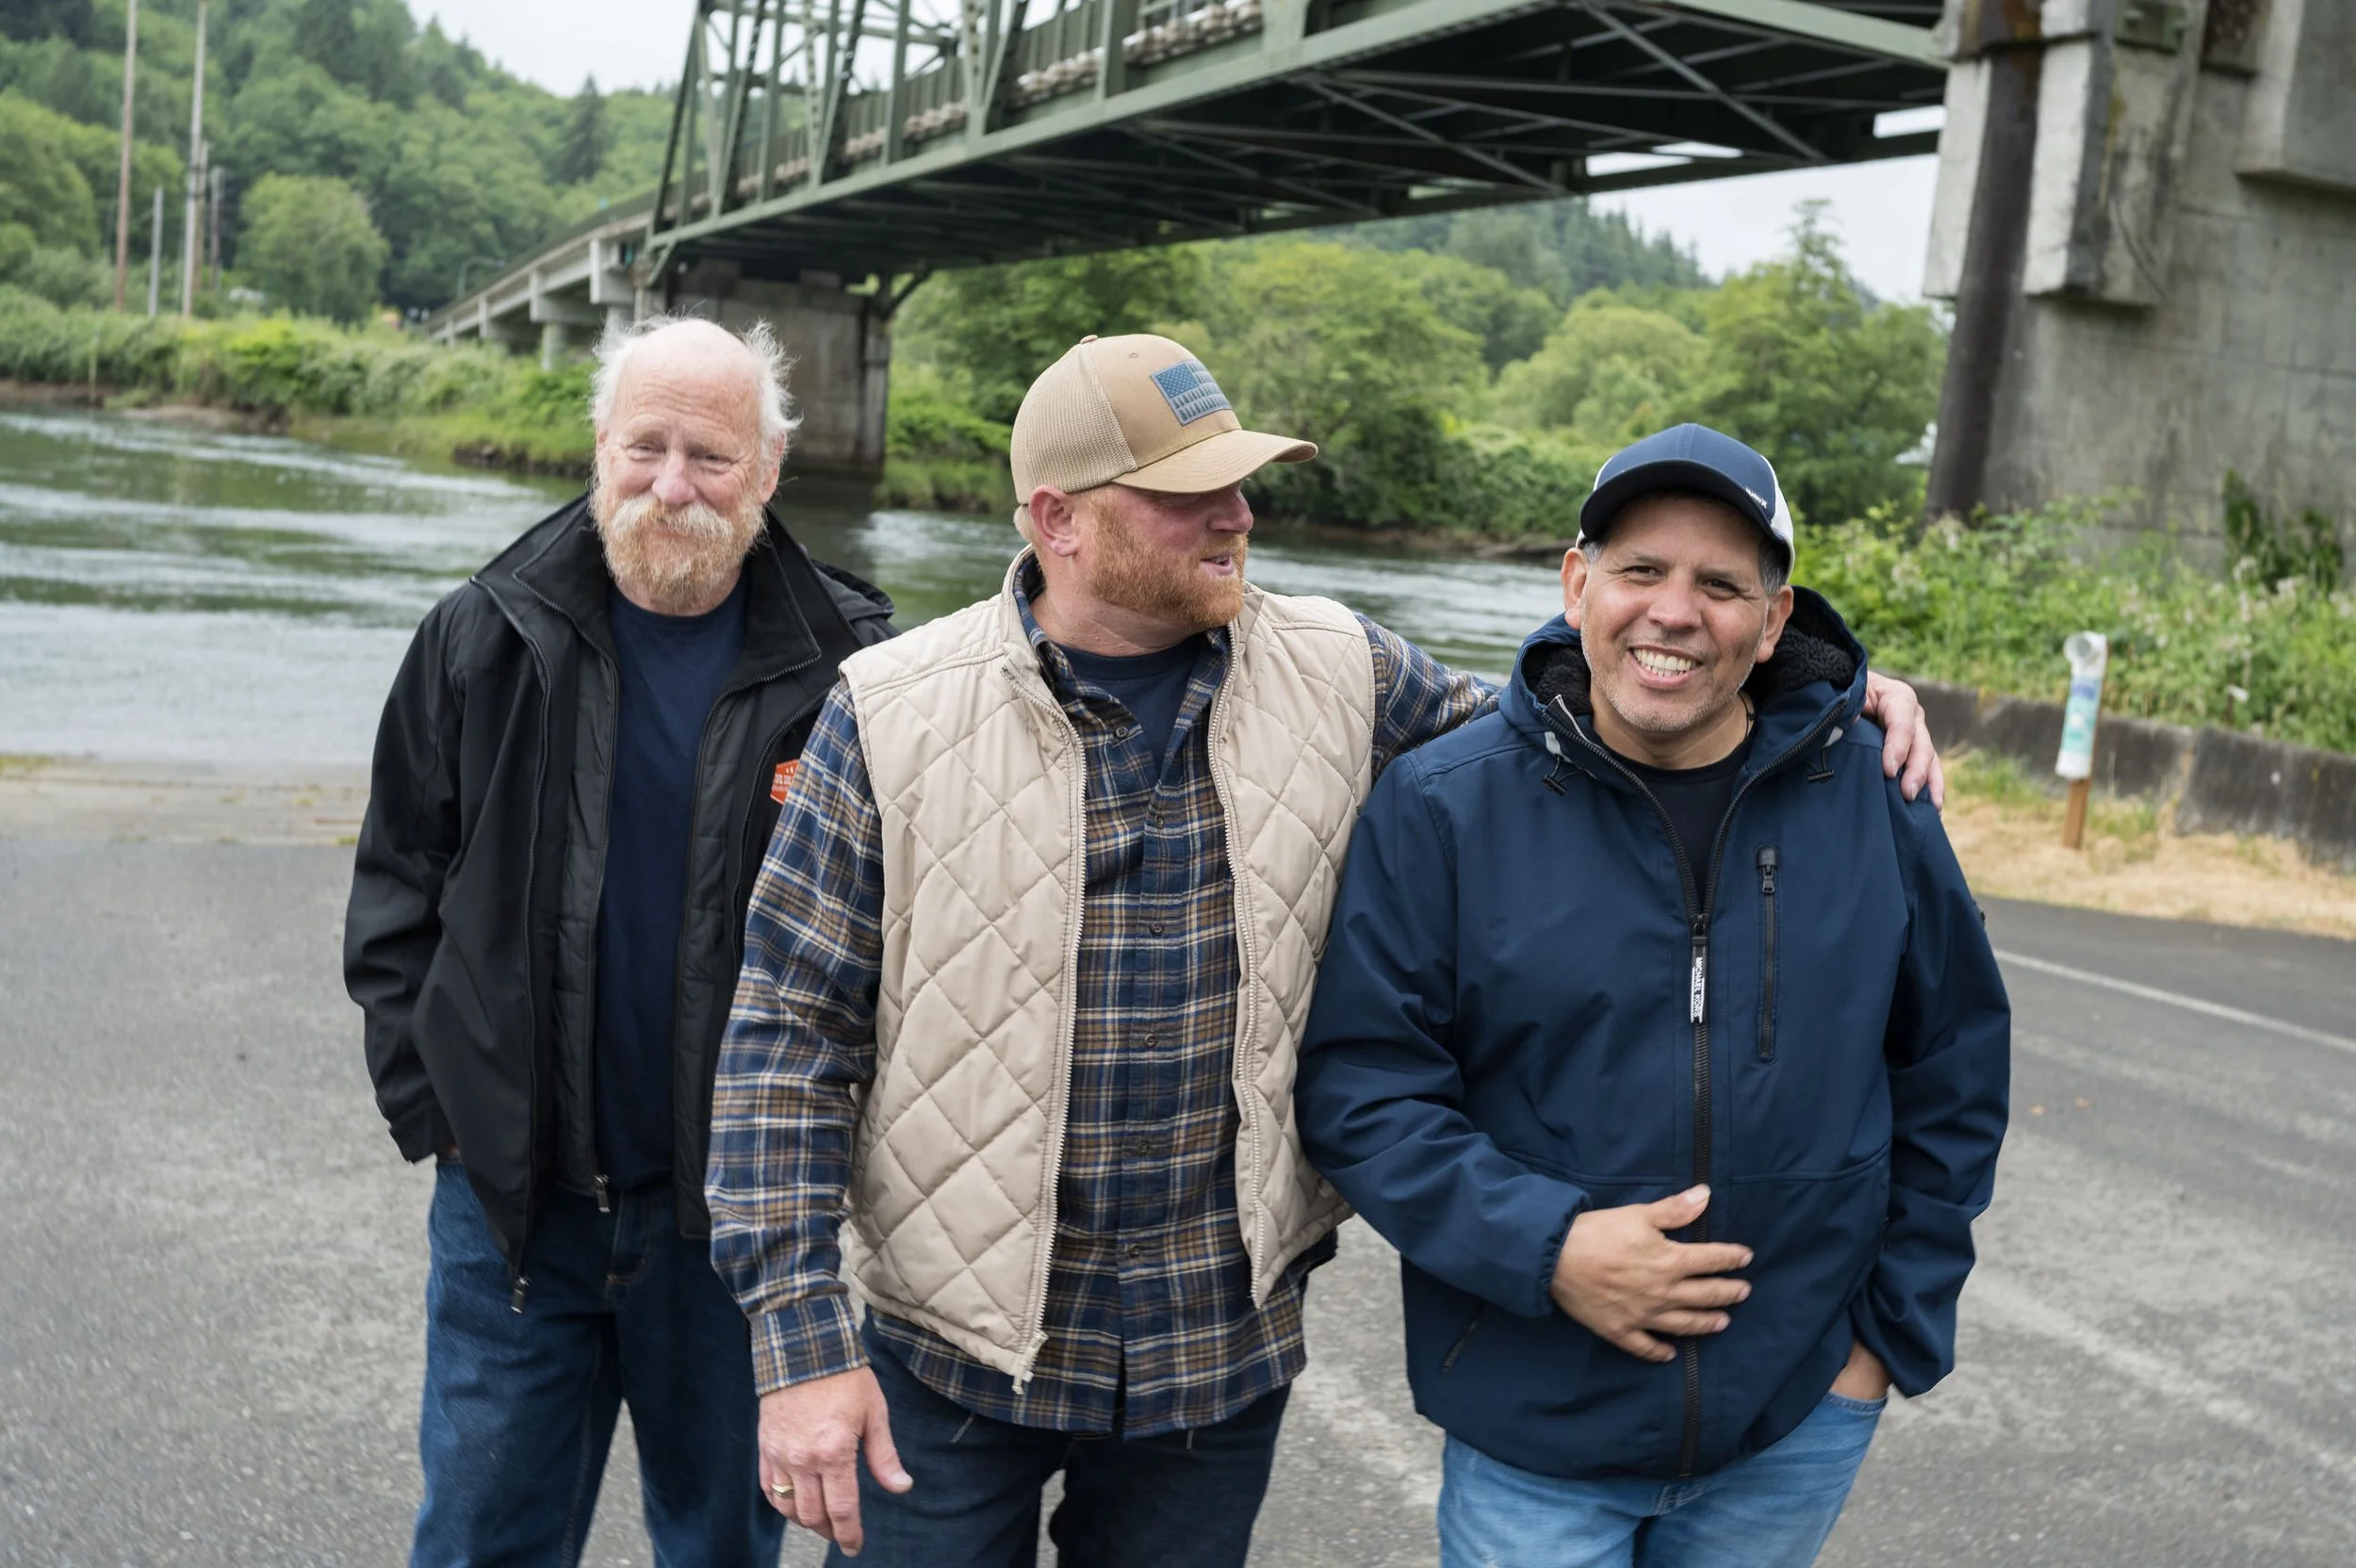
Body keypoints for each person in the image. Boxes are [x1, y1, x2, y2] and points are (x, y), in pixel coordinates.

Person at [706, 341, 1944, 1565]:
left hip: (1213, 1360)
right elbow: (787, 1040)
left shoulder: (1348, 669)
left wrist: (1810, 691)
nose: (1238, 514)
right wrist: (800, 1348)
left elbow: (1568, 730)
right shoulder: (888, 712)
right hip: (948, 1358)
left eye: (1241, 483)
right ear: (1057, 518)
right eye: (1189, 494)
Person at [1294, 423, 2012, 1568]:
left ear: (1773, 622)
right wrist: (1549, 1246)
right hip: (1533, 1424)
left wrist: (1880, 1345)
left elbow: (1954, 1072)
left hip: (1794, 1423)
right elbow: (1364, 1088)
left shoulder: (1876, 799)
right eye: (1640, 570)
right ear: (1576, 584)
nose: (1674, 612)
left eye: (1720, 585)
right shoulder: (1443, 806)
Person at [344, 314, 895, 1566]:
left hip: (737, 1225)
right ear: (600, 447)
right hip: (517, 1214)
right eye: (645, 446)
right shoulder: (483, 634)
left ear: (768, 469)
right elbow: (396, 889)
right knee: (480, 1541)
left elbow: (894, 932)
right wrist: (440, 1113)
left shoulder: (856, 665)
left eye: (710, 455)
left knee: (722, 1548)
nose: (672, 484)